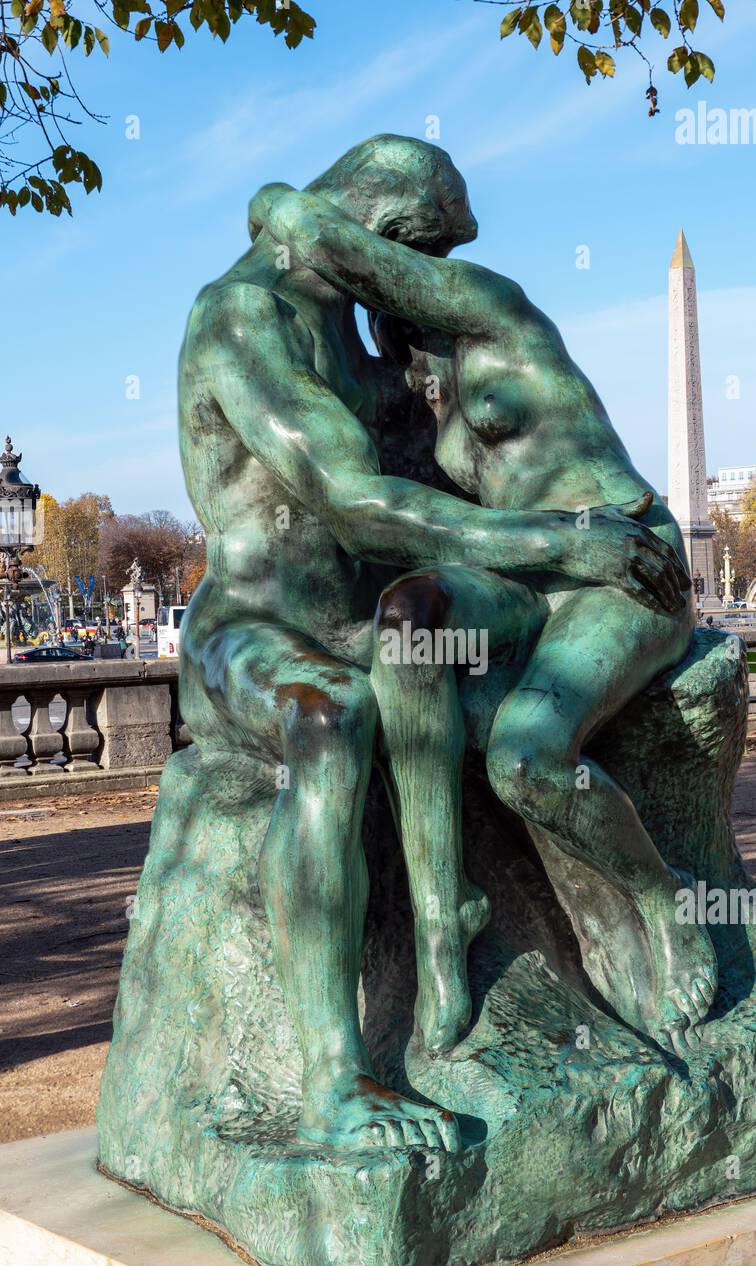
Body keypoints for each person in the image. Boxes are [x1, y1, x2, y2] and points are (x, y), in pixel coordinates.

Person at [176, 136, 688, 1153]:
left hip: (372, 615)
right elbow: (355, 500)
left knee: (424, 663)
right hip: (253, 628)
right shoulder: (238, 320)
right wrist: (560, 541)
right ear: (378, 232)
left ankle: (461, 930)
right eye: (420, 253)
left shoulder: (359, 330)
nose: (424, 286)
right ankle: (335, 1083)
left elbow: (444, 486)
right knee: (335, 717)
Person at [256, 180, 717, 1059]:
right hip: (527, 575)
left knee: (524, 756)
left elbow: (335, 243)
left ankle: (663, 898)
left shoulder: (492, 309)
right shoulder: (416, 395)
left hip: (618, 561)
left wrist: (277, 202)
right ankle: (443, 920)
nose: (413, 371)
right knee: (411, 616)